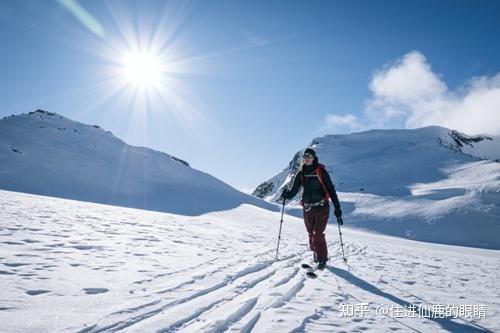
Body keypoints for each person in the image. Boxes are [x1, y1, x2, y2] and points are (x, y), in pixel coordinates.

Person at [281, 148, 342, 270]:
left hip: (321, 207)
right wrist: (286, 194)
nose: (306, 158)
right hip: (307, 208)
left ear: (314, 157)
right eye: (305, 157)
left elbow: (331, 190)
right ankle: (316, 252)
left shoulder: (321, 171)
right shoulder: (301, 173)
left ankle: (322, 259)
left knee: (317, 233)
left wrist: (337, 208)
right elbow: (294, 190)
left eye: (309, 156)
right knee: (311, 233)